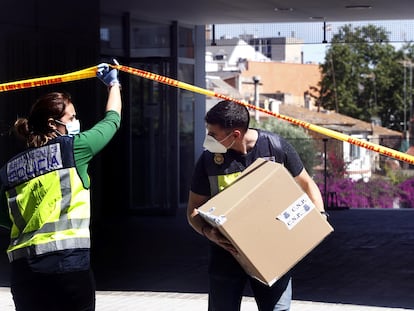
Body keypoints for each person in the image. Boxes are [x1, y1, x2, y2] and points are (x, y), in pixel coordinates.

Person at [0, 61, 122, 311]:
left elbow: (5, 219)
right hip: (67, 267)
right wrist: (113, 83)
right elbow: (112, 120)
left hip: (24, 274)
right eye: (72, 117)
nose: (77, 122)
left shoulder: (9, 169)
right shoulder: (74, 149)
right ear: (53, 124)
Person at [187, 100, 326, 311]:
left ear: (234, 134)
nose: (208, 140)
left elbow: (307, 184)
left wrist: (319, 218)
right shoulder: (207, 161)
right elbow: (193, 211)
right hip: (226, 255)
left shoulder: (275, 147)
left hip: (273, 253)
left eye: (213, 134)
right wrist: (208, 232)